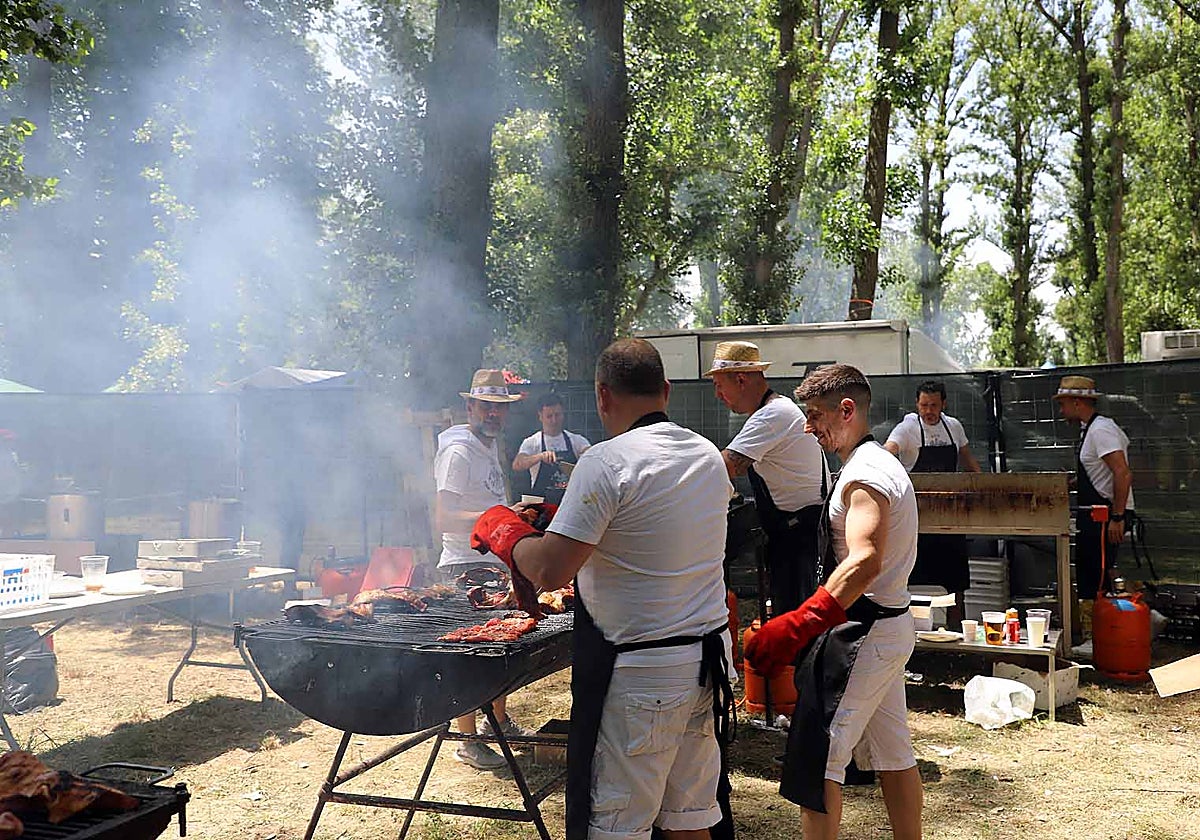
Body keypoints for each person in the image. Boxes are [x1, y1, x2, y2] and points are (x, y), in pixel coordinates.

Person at [472, 338, 737, 840]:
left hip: (641, 681)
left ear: (601, 396)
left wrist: (504, 530)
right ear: (666, 390)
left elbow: (549, 571)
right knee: (690, 818)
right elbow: (653, 529)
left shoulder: (605, 461)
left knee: (617, 829)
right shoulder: (706, 455)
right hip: (705, 665)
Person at [746, 364, 922, 840]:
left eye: (815, 415)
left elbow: (864, 560)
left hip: (868, 631)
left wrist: (800, 623)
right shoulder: (872, 464)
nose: (808, 426)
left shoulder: (864, 474)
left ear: (847, 410)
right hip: (887, 625)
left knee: (817, 760)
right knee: (894, 755)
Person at [434, 368, 532, 770]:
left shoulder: (489, 444)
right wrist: (500, 514)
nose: (494, 414)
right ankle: (466, 739)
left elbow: (492, 500)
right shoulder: (457, 451)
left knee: (500, 648)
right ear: (470, 406)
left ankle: (499, 721)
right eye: (487, 406)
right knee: (469, 655)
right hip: (463, 564)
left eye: (500, 408)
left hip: (494, 562)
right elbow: (443, 516)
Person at [706, 340, 827, 613]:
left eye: (718, 384)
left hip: (799, 536)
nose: (717, 394)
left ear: (740, 380)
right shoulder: (772, 410)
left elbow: (727, 465)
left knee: (797, 623)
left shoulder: (774, 414)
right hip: (793, 532)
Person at [883, 379, 981, 627]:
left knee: (956, 580)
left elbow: (969, 462)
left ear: (943, 404)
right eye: (924, 405)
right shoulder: (906, 429)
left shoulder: (954, 427)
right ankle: (911, 631)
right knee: (910, 578)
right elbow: (887, 452)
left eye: (934, 405)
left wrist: (984, 487)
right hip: (916, 518)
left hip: (951, 516)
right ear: (917, 404)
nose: (928, 411)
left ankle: (957, 631)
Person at [1053, 375, 1134, 617]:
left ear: (1078, 403)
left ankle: (1097, 636)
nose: (1061, 410)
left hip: (1106, 513)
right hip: (1094, 513)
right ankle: (1106, 629)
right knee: (1098, 571)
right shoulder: (1089, 430)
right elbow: (1100, 473)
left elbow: (1122, 472)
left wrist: (1117, 517)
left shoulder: (1101, 430)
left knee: (1096, 577)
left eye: (1063, 404)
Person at [512, 392, 591, 504]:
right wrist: (540, 457)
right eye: (549, 416)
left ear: (563, 414)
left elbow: (591, 455)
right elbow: (517, 465)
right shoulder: (532, 442)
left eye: (557, 415)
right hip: (543, 507)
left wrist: (587, 456)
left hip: (570, 504)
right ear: (540, 416)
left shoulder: (576, 440)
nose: (554, 420)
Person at [0, 430, 20, 537]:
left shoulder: (11, 456)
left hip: (10, 497)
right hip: (5, 496)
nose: (11, 444)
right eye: (6, 441)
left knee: (8, 523)